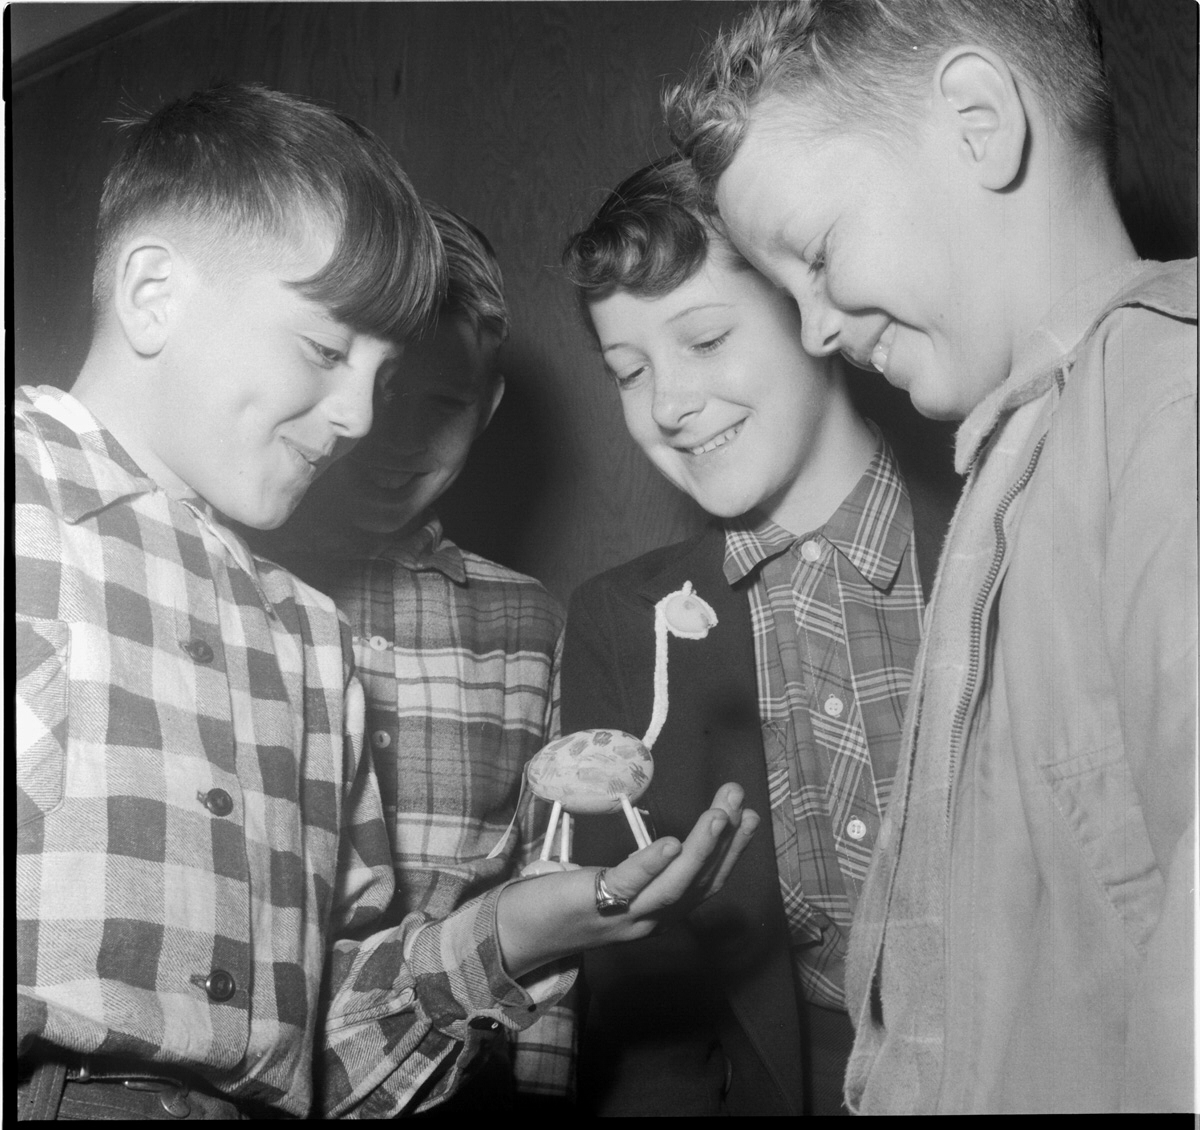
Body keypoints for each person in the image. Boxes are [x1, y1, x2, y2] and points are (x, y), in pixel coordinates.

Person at [14, 82, 758, 1121]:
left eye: (388, 371)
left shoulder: (311, 640)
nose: (362, 415)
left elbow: (329, 1042)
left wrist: (513, 935)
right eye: (325, 351)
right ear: (152, 292)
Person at [666, 0, 1197, 1113]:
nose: (815, 328)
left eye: (815, 254)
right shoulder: (1017, 472)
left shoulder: (1163, 398)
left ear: (978, 122)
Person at [558, 156, 956, 1115]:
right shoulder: (621, 622)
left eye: (703, 339)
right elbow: (647, 1016)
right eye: (629, 371)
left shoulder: (1013, 525)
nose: (667, 405)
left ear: (815, 311)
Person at [253, 204, 576, 1110]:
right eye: (385, 394)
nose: (395, 443)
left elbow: (551, 900)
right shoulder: (235, 583)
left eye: (442, 405)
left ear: (491, 406)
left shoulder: (532, 624)